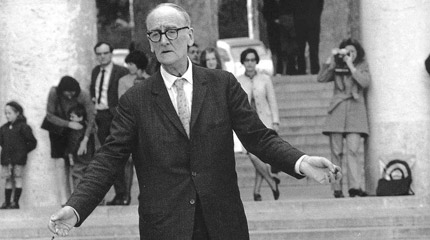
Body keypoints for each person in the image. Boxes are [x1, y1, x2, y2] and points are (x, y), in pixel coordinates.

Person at [48, 3, 341, 239]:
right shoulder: (135, 100)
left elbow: (258, 137)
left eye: (172, 31)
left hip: (223, 223)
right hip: (165, 227)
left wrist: (300, 162)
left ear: (189, 35)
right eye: (155, 34)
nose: (164, 40)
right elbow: (109, 159)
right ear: (150, 43)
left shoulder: (222, 84)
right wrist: (75, 208)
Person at [317, 38, 370, 198]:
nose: (349, 55)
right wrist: (329, 62)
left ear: (357, 53)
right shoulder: (337, 65)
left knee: (353, 151)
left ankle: (355, 187)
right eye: (346, 52)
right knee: (336, 153)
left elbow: (365, 82)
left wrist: (351, 66)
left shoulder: (361, 65)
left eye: (352, 52)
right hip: (338, 111)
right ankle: (337, 188)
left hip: (355, 111)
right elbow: (321, 78)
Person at [237, 48, 281, 201]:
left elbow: (272, 101)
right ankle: (272, 181)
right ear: (243, 62)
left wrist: (275, 121)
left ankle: (256, 192)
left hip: (264, 122)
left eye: (252, 60)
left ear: (256, 61)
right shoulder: (238, 80)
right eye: (247, 60)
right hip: (246, 126)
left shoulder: (265, 79)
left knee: (260, 156)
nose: (250, 63)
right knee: (253, 155)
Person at [45, 76, 95, 206]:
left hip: (77, 133)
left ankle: (77, 197)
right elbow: (49, 115)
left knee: (77, 164)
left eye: (73, 92)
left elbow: (91, 118)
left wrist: (85, 139)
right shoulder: (54, 93)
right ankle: (64, 199)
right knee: (61, 164)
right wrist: (68, 124)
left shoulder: (83, 95)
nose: (70, 95)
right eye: (67, 92)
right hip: (59, 132)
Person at [90, 41, 128, 205]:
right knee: (107, 157)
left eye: (105, 53)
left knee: (118, 154)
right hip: (100, 116)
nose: (102, 56)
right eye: (99, 54)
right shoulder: (95, 71)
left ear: (111, 54)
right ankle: (118, 194)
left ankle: (123, 194)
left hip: (115, 116)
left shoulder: (121, 71)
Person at [117, 50, 150, 205]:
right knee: (128, 161)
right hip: (131, 124)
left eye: (132, 64)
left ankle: (145, 193)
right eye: (128, 64)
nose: (129, 67)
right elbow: (122, 102)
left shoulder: (150, 79)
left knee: (146, 161)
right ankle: (126, 195)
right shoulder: (123, 80)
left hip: (148, 126)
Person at [0, 101, 37, 209]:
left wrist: (22, 151)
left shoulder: (23, 127)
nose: (7, 115)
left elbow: (32, 142)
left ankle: (15, 202)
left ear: (18, 113)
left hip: (19, 159)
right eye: (6, 113)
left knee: (17, 177)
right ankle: (6, 202)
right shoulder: (3, 128)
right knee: (7, 179)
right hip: (6, 158)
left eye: (10, 113)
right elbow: (1, 142)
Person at [65, 104, 95, 189]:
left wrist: (69, 154)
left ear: (80, 117)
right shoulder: (88, 130)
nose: (71, 119)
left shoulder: (76, 130)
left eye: (73, 117)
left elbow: (73, 145)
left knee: (77, 178)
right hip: (88, 160)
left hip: (80, 160)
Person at [292, 0, 324, 74]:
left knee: (301, 47)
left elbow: (293, 6)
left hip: (300, 21)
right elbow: (320, 6)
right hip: (313, 21)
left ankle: (301, 69)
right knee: (313, 47)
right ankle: (314, 68)